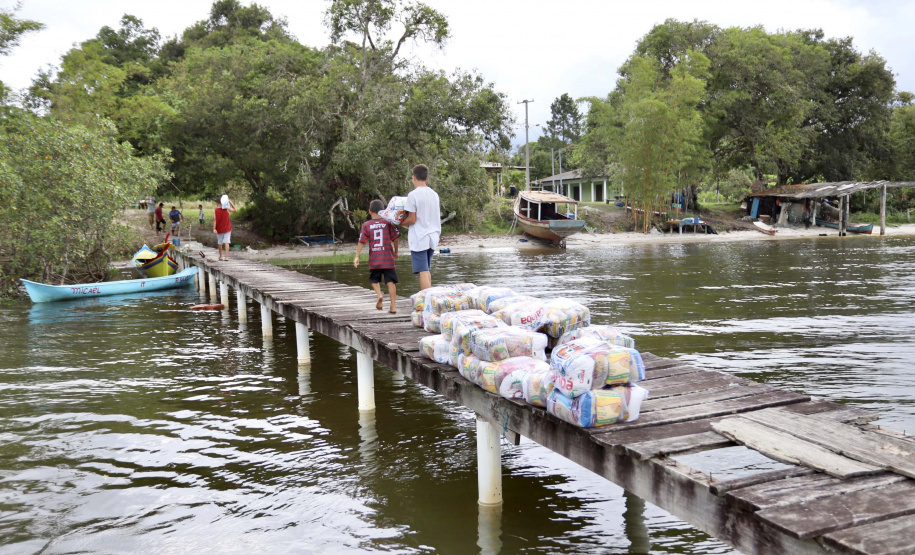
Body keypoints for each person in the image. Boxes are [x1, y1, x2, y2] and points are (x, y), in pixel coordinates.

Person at [354, 199, 400, 313]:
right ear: (383, 211)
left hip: (375, 258)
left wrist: (357, 256)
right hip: (388, 258)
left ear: (370, 211)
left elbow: (362, 241)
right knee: (391, 282)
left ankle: (379, 295)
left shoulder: (366, 225)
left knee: (374, 280)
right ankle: (393, 305)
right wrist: (396, 252)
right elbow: (395, 238)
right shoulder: (388, 223)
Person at [400, 164, 441, 291]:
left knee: (422, 271)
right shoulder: (434, 194)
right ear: (427, 179)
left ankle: (426, 302)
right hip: (433, 236)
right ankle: (429, 299)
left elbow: (412, 219)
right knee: (426, 269)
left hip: (419, 237)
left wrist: (399, 223)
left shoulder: (413, 195)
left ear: (414, 178)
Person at [213, 195, 237, 261]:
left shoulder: (215, 210)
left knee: (220, 243)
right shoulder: (227, 209)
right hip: (227, 228)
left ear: (217, 203)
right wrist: (231, 202)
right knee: (227, 243)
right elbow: (235, 210)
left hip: (219, 229)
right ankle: (226, 257)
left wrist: (214, 229)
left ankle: (221, 256)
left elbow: (214, 220)